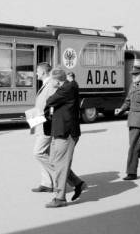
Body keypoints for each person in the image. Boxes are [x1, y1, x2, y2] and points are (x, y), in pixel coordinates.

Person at [44, 69, 86, 208]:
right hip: (61, 131)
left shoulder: (66, 88)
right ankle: (77, 183)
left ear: (57, 80)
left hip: (66, 132)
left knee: (60, 166)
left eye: (51, 81)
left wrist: (52, 92)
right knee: (54, 162)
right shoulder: (67, 87)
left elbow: (50, 100)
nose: (50, 83)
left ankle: (60, 198)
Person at [30, 62, 57, 193]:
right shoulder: (45, 84)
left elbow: (52, 107)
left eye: (37, 71)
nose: (36, 73)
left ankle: (59, 175)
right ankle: (47, 183)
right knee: (44, 153)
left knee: (38, 153)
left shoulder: (51, 84)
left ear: (43, 72)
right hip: (40, 124)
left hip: (46, 124)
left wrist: (44, 119)